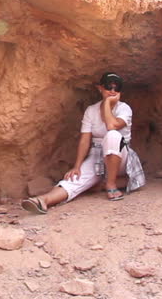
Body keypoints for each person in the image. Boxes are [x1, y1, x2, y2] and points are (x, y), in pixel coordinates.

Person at [21, 72, 145, 214]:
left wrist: (107, 104)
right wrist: (77, 166)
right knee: (74, 179)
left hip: (121, 157)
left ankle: (111, 184)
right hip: (97, 156)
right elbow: (85, 139)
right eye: (108, 87)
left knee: (112, 136)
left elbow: (112, 126)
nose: (112, 91)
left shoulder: (124, 108)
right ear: (100, 88)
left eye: (116, 88)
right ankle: (43, 201)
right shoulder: (91, 111)